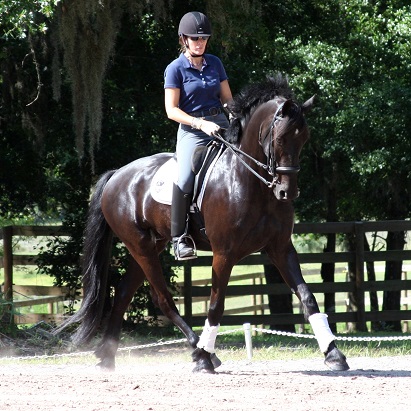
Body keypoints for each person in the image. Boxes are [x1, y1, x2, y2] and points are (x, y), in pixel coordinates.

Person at [164, 11, 233, 260]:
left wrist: (236, 117)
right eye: (194, 38)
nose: (199, 43)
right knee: (184, 178)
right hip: (192, 130)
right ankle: (179, 237)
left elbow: (227, 99)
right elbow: (171, 110)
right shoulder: (175, 69)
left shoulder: (215, 63)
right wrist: (200, 124)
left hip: (222, 124)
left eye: (203, 39)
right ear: (184, 39)